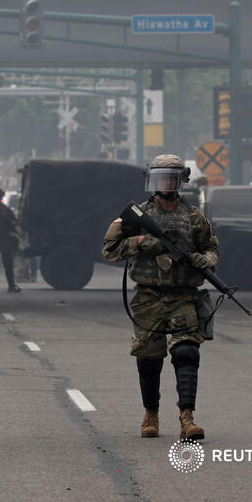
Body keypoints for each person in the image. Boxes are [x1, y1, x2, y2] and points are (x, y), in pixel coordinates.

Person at [102, 154, 219, 441]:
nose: (166, 184)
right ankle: (151, 414)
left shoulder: (194, 217)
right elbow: (109, 248)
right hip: (149, 297)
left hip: (183, 296)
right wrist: (141, 241)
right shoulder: (138, 215)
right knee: (149, 359)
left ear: (181, 181)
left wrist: (204, 260)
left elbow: (212, 249)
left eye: (171, 178)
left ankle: (187, 418)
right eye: (161, 178)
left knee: (187, 352)